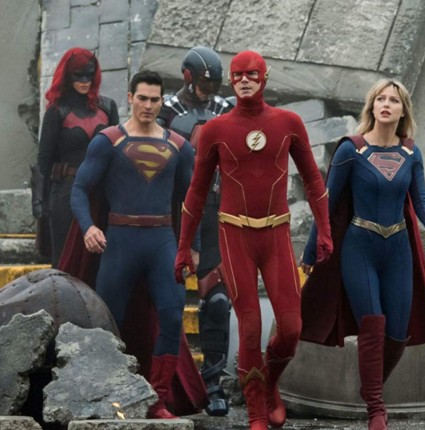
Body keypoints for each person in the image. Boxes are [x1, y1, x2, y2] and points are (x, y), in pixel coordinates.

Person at [174, 50, 333, 430]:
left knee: (291, 328)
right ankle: (256, 412)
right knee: (248, 327)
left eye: (252, 74)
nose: (245, 80)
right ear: (231, 80)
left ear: (265, 77)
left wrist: (325, 230)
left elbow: (313, 179)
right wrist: (183, 247)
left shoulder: (289, 122)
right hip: (234, 235)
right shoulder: (216, 129)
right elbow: (197, 192)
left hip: (277, 232)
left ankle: (270, 382)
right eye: (238, 75)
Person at [300, 79, 425, 430]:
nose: (386, 104)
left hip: (398, 248)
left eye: (394, 99)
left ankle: (370, 386)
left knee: (398, 331)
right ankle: (376, 408)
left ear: (403, 109)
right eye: (381, 98)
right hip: (359, 246)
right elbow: (327, 204)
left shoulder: (411, 153)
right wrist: (311, 251)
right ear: (372, 106)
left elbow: (421, 197)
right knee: (372, 324)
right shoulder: (352, 149)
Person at [69, 70, 202, 419]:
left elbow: (192, 200)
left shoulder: (179, 146)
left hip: (162, 241)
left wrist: (193, 246)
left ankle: (158, 400)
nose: (148, 105)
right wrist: (88, 227)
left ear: (162, 102)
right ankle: (109, 395)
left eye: (155, 99)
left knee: (172, 316)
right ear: (130, 98)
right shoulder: (108, 141)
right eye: (142, 98)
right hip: (119, 242)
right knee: (108, 323)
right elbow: (80, 189)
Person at [157, 46, 233, 417]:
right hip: (172, 211)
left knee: (217, 301)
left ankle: (214, 381)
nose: (208, 91)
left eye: (213, 85)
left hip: (215, 212)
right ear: (188, 77)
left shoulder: (225, 109)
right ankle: (163, 384)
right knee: (165, 303)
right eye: (203, 84)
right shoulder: (165, 110)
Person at [35, 47, 119, 268]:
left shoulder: (107, 107)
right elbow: (44, 158)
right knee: (64, 260)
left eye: (88, 75)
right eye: (78, 76)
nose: (84, 81)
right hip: (66, 189)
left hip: (101, 190)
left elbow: (117, 153)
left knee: (101, 260)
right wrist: (38, 201)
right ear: (67, 76)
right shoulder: (57, 110)